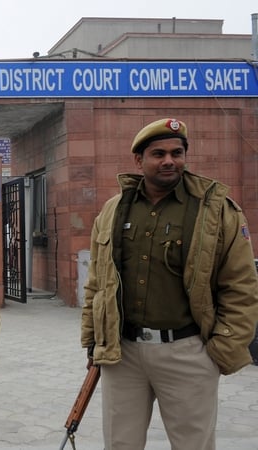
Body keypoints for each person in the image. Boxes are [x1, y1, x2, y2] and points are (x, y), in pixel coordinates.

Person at [81, 118, 258, 449]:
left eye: (177, 153)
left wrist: (222, 350)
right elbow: (97, 280)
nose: (168, 161)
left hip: (188, 352)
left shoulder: (215, 210)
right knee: (120, 444)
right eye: (158, 153)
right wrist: (94, 341)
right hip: (124, 355)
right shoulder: (113, 210)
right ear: (139, 160)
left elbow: (242, 286)